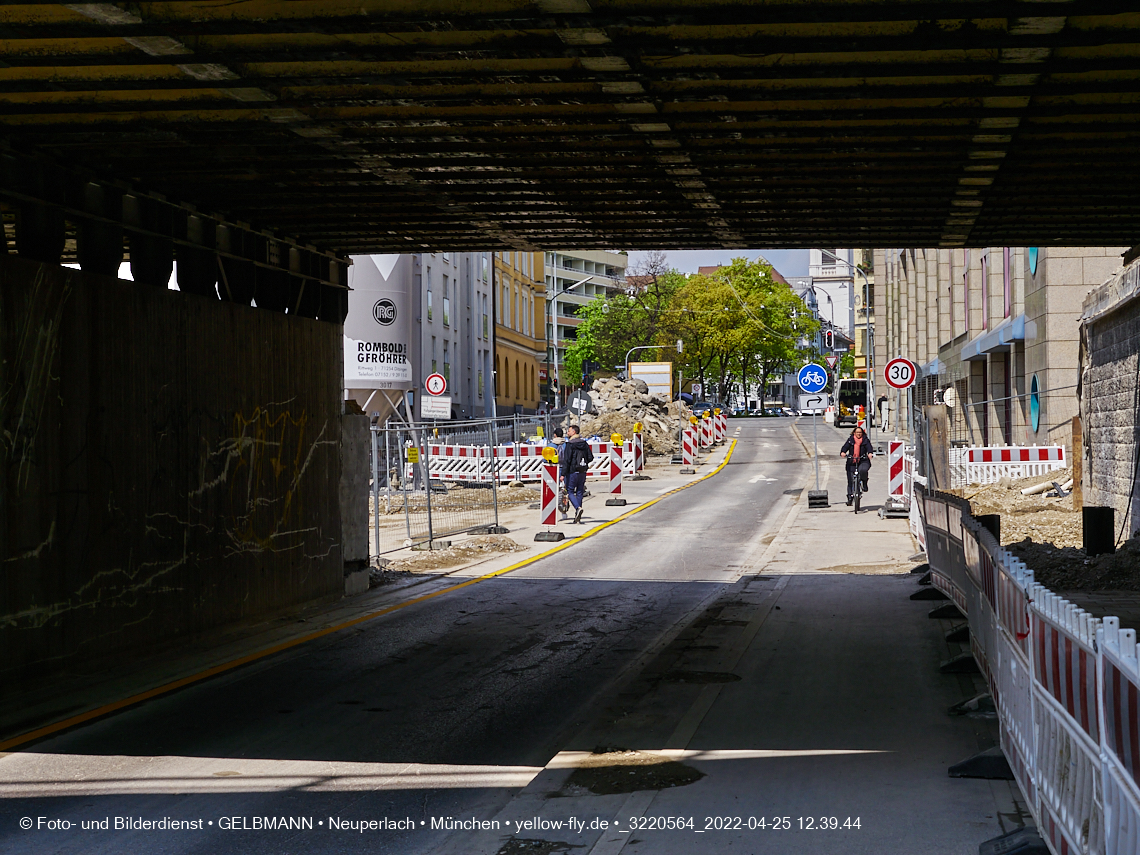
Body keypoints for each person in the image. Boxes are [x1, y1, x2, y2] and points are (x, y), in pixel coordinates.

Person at [560, 424, 593, 524]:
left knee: (569, 491)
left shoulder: (570, 444)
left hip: (572, 471)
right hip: (582, 471)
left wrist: (563, 474)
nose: (567, 433)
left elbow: (567, 460)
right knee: (579, 492)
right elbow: (590, 457)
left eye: (569, 431)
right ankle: (577, 515)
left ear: (573, 432)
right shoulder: (584, 443)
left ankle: (577, 508)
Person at [839, 425, 873, 506]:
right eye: (857, 432)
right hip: (852, 461)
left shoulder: (865, 440)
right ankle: (850, 497)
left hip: (863, 460)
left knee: (863, 470)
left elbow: (869, 447)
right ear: (854, 433)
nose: (858, 434)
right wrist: (843, 452)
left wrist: (870, 453)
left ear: (862, 433)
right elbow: (845, 447)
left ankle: (864, 483)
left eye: (860, 432)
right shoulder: (850, 440)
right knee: (850, 480)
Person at [549, 428, 569, 519]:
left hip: (553, 470)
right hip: (565, 470)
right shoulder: (566, 445)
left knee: (553, 491)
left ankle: (552, 511)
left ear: (555, 435)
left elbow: (545, 459)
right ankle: (564, 511)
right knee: (564, 491)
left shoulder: (551, 446)